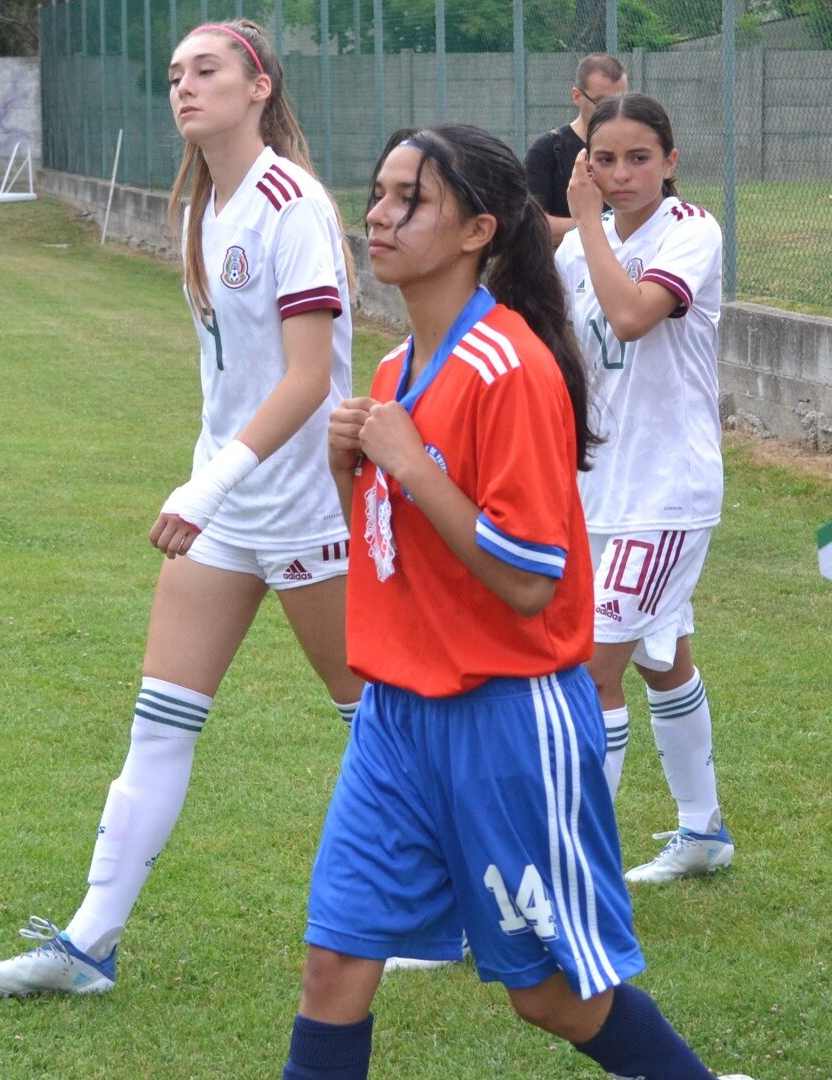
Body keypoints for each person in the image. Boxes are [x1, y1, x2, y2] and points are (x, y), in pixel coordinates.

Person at [281, 123, 749, 1080]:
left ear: (475, 232)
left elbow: (529, 580)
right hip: (396, 717)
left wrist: (410, 465)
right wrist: (352, 476)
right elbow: (394, 553)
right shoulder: (390, 374)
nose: (378, 213)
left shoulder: (510, 367)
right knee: (334, 965)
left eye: (411, 198)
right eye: (377, 191)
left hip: (505, 720)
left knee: (554, 996)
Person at [0, 18, 360, 997]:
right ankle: (89, 943)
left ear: (258, 85)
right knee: (160, 720)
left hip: (309, 506)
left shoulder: (288, 201)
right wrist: (214, 481)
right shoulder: (204, 203)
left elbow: (310, 379)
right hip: (227, 507)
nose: (182, 86)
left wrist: (210, 480)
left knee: (385, 726)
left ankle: (491, 894)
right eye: (174, 72)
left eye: (206, 69)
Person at [556, 92, 732, 884]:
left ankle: (573, 869)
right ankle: (703, 833)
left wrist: (585, 222)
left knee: (593, 671)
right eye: (604, 158)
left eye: (638, 158)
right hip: (596, 492)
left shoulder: (692, 231)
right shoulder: (571, 258)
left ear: (670, 162)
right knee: (664, 661)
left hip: (667, 494)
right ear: (582, 160)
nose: (620, 173)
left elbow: (630, 317)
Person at [526, 53, 629, 242]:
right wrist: (600, 227)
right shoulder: (547, 150)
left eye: (621, 101)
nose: (614, 111)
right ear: (577, 96)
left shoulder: (637, 149)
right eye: (603, 102)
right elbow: (534, 224)